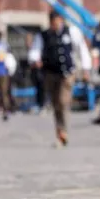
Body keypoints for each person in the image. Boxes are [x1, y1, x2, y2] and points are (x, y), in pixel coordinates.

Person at [30, 10, 76, 147]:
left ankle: (64, 131)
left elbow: (80, 49)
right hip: (50, 73)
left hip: (67, 73)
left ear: (60, 20)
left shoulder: (71, 32)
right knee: (56, 104)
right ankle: (60, 132)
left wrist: (86, 67)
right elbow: (35, 50)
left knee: (63, 101)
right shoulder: (43, 35)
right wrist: (35, 59)